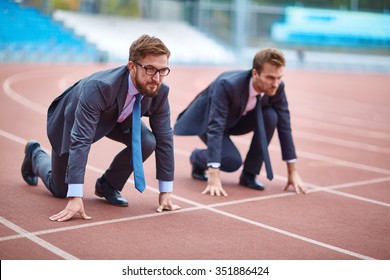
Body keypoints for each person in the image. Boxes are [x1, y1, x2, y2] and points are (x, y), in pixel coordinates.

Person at [21, 34, 180, 222]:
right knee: (60, 190)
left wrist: (165, 192)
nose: (157, 78)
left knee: (147, 141)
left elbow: (165, 138)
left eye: (163, 70)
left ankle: (108, 185)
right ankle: (35, 154)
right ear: (132, 67)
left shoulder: (160, 91)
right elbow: (81, 139)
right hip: (72, 119)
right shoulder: (99, 87)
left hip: (118, 117)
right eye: (150, 69)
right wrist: (75, 196)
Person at [173, 48, 307, 196]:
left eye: (279, 77)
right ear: (255, 73)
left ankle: (249, 174)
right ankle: (198, 157)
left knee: (271, 116)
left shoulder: (277, 87)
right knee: (231, 161)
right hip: (210, 121)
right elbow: (215, 127)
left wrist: (292, 171)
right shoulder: (227, 84)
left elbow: (284, 126)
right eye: (270, 78)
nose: (275, 83)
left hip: (237, 119)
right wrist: (214, 175)